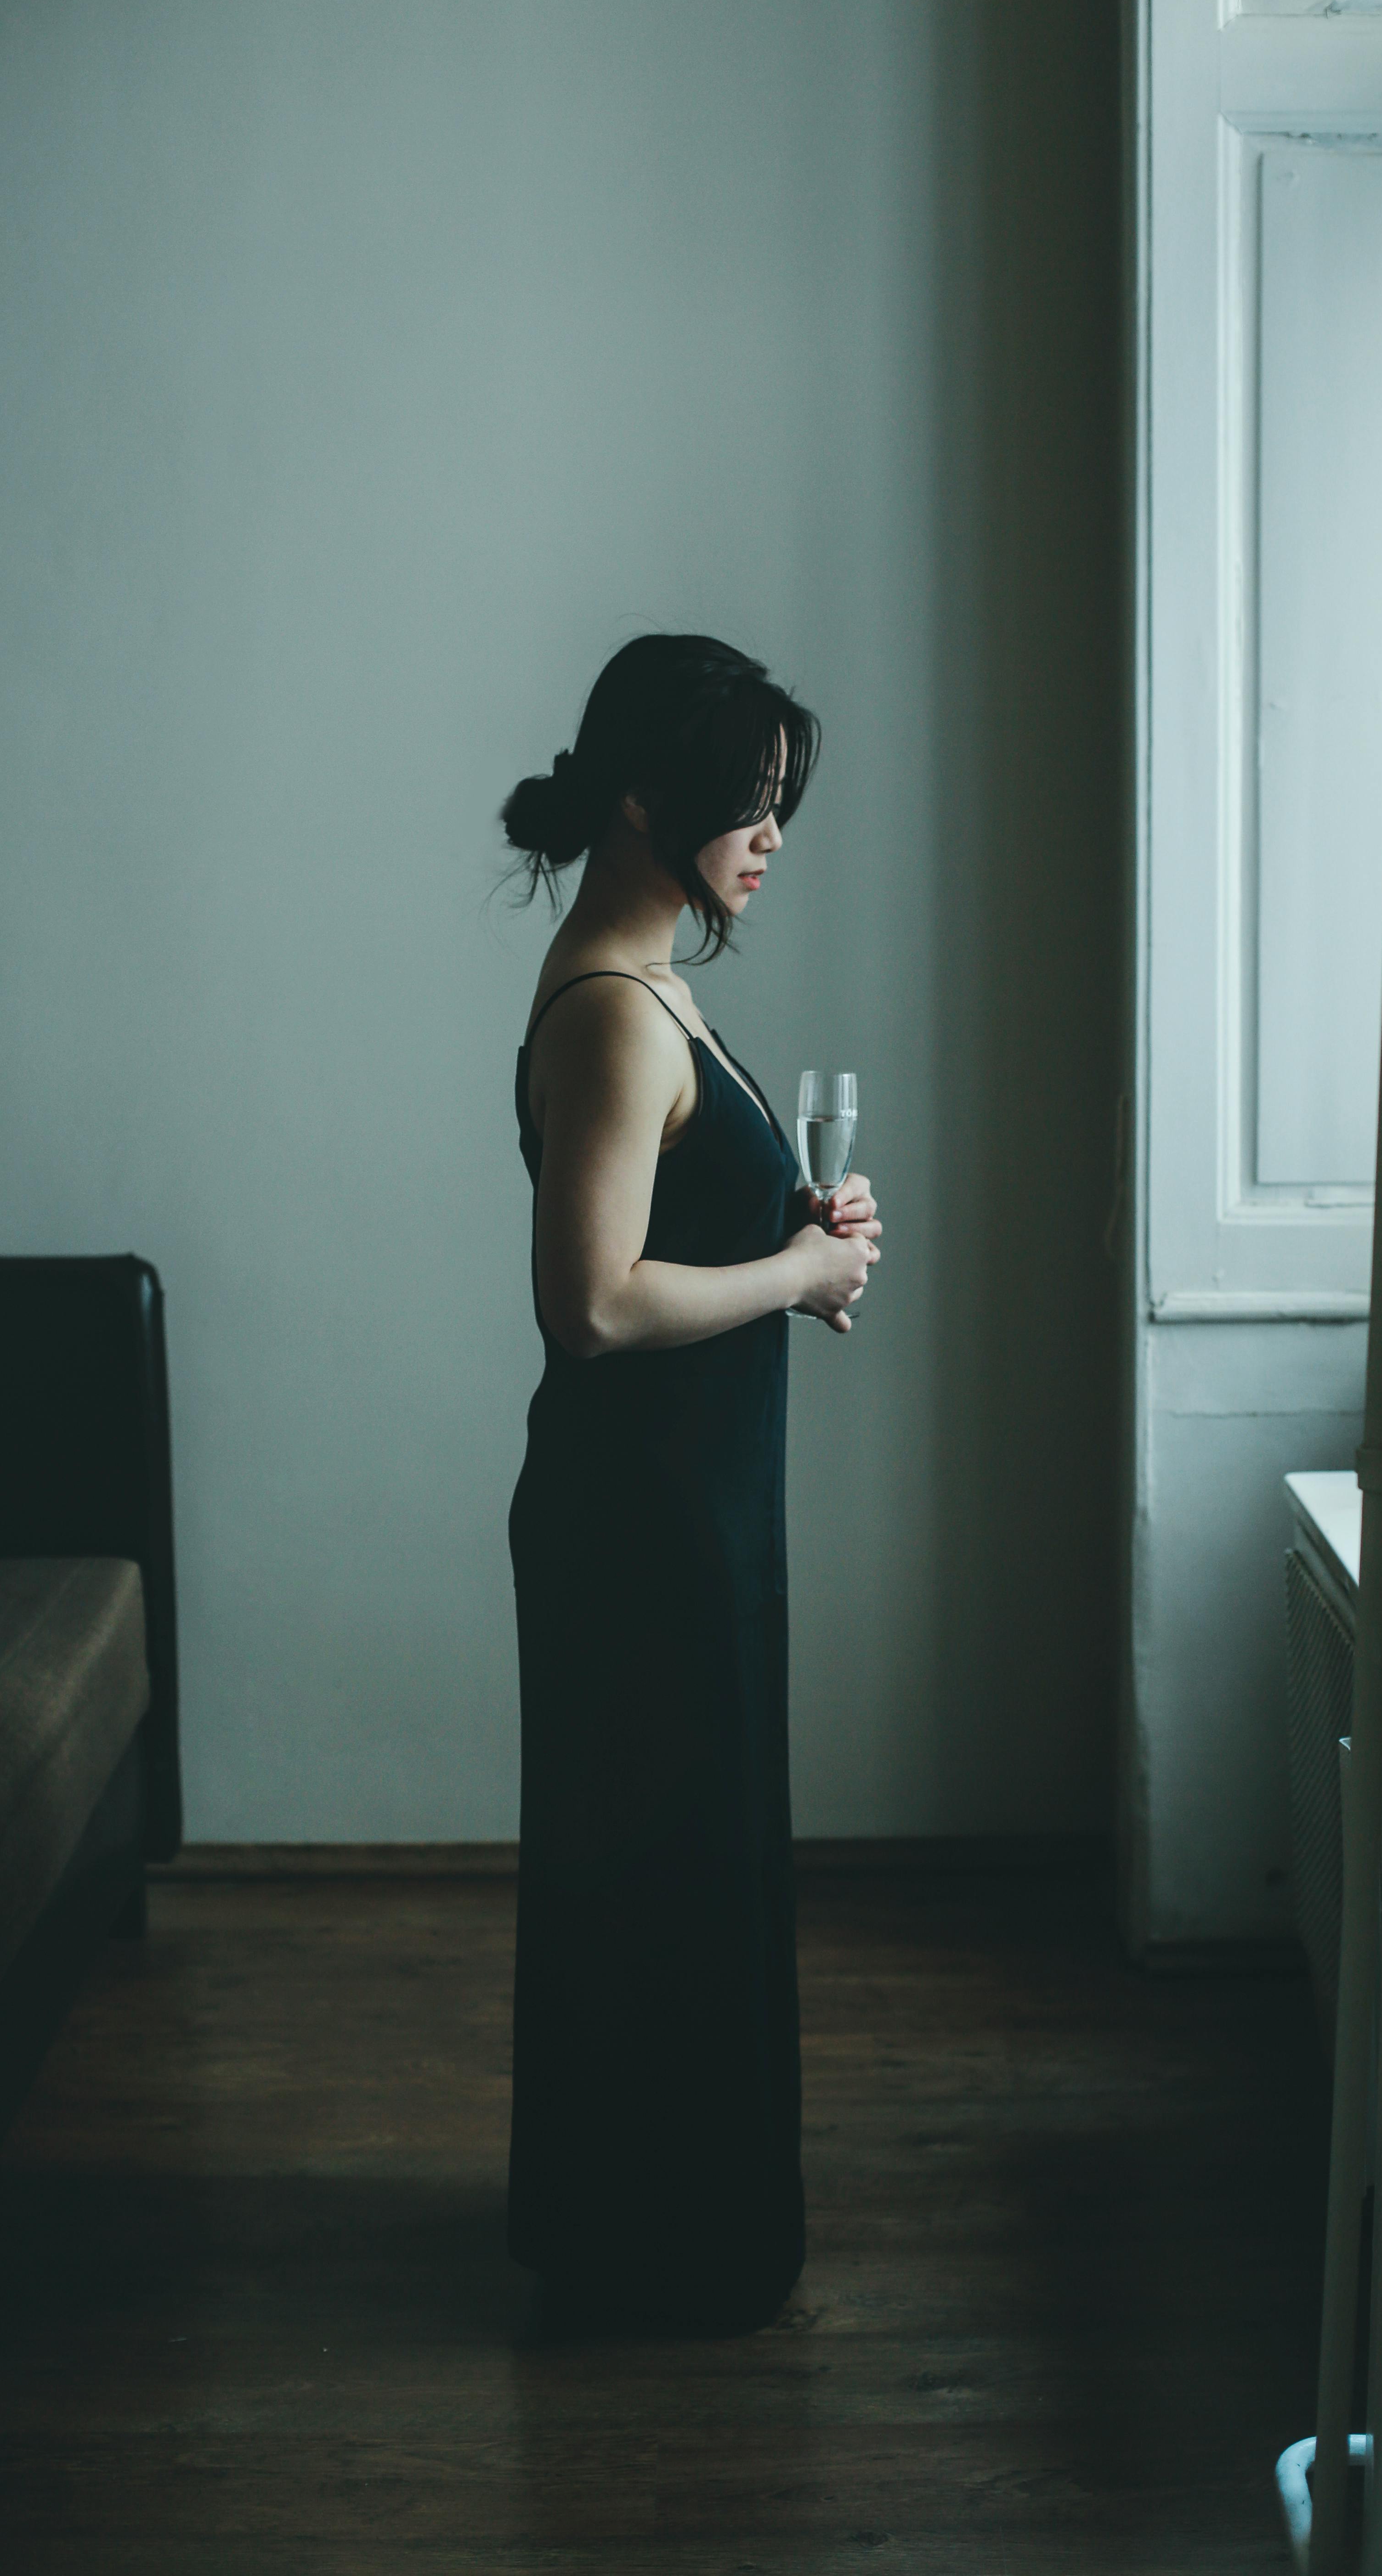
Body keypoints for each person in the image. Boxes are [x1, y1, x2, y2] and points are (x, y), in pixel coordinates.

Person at [498, 633, 881, 2335]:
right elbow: (588, 1303)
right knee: (656, 1876)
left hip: (700, 1507)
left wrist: (795, 1233)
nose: (773, 831)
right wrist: (796, 1280)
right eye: (748, 797)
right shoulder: (607, 1009)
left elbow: (674, 1238)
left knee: (691, 1870)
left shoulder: (657, 983)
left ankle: (676, 2230)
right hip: (639, 1520)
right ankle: (650, 2252)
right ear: (646, 795)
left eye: (785, 801)